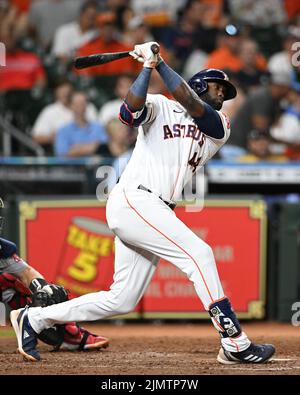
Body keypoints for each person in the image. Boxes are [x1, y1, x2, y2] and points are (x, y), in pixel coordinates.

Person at [10, 41, 275, 364]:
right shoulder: (161, 105)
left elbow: (193, 106)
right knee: (200, 254)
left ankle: (35, 319)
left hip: (154, 209)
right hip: (136, 198)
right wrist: (147, 68)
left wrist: (159, 63)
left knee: (122, 299)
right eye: (219, 88)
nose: (223, 96)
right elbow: (128, 113)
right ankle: (234, 341)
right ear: (202, 84)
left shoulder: (219, 126)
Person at [0, 202, 109, 354]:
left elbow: (27, 273)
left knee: (27, 287)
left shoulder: (3, 249)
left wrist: (43, 290)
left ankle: (68, 334)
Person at [32, 80, 97, 148]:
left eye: (68, 93)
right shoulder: (50, 111)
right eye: (62, 92)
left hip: (89, 149)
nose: (65, 95)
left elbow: (98, 131)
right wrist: (55, 137)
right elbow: (36, 137)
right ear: (56, 93)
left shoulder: (88, 107)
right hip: (61, 152)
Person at [54, 92, 107, 157]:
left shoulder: (98, 127)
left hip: (96, 166)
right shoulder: (63, 130)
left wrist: (76, 148)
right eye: (77, 104)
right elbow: (62, 154)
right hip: (71, 166)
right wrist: (91, 147)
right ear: (71, 106)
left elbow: (105, 147)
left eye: (83, 103)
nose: (80, 106)